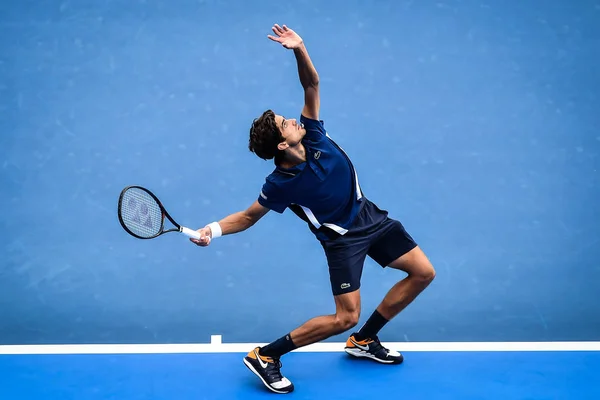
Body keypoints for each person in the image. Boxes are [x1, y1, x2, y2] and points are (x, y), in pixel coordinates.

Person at [191, 24, 436, 395]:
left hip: (370, 216)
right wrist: (213, 229)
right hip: (342, 240)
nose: (292, 119)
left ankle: (364, 341)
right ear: (280, 146)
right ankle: (266, 356)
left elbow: (311, 85)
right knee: (344, 317)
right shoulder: (281, 184)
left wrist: (299, 49)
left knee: (422, 272)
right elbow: (247, 216)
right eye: (283, 124)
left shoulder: (313, 133)